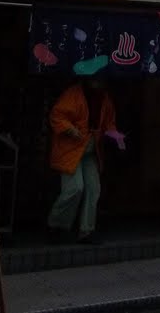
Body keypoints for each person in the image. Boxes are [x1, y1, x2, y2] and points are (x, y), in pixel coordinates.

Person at [46, 77, 123, 243]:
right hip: (70, 150)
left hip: (90, 150)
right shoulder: (73, 94)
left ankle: (86, 230)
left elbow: (109, 123)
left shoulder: (105, 98)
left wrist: (114, 134)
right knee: (75, 188)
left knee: (93, 189)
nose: (99, 82)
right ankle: (57, 224)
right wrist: (70, 129)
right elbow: (57, 115)